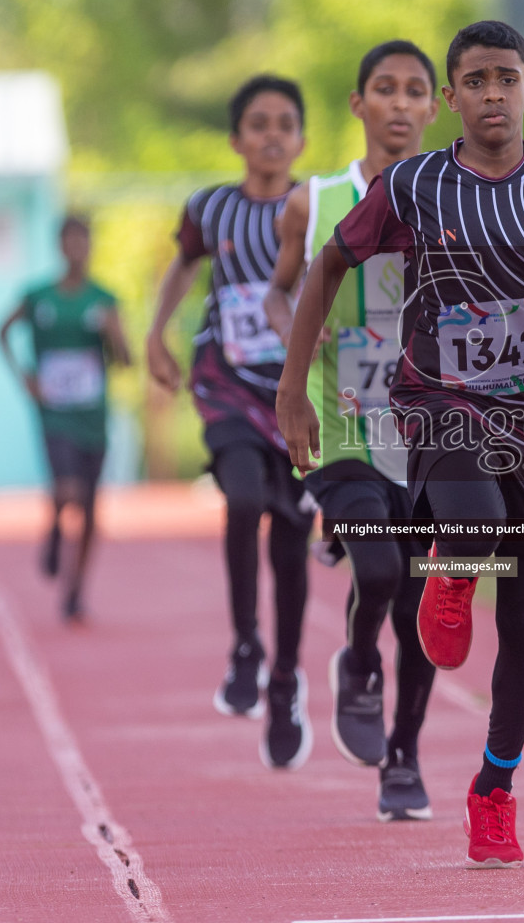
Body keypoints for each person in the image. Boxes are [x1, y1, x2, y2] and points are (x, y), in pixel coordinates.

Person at [278, 21, 524, 867]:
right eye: (475, 80)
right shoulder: (416, 186)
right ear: (452, 97)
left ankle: (493, 787)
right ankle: (451, 574)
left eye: (507, 77)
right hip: (436, 404)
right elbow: (327, 264)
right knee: (468, 522)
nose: (492, 93)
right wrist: (291, 388)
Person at [264, 40, 441, 821]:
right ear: (357, 103)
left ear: (434, 108)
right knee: (377, 574)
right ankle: (360, 662)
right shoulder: (314, 199)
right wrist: (294, 360)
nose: (399, 104)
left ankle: (402, 760)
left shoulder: (457, 197)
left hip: (431, 432)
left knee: (423, 603)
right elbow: (278, 294)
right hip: (339, 424)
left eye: (414, 91)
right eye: (384, 89)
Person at [146, 75, 316, 771]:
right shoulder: (210, 208)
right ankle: (246, 642)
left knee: (292, 536)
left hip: (299, 391)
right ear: (236, 139)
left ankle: (283, 682)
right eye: (257, 124)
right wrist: (156, 335)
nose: (271, 135)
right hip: (224, 382)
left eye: (284, 123)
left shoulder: (320, 206)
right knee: (243, 499)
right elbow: (181, 267)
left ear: (302, 138)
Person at [0, 214, 131, 625]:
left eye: (83, 242)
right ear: (59, 246)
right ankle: (56, 523)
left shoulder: (104, 299)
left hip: (92, 413)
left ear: (90, 247)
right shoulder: (38, 297)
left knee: (90, 508)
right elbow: (1, 332)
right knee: (67, 488)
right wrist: (25, 377)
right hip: (54, 412)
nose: (77, 249)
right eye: (69, 242)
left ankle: (75, 590)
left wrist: (113, 332)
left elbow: (126, 361)